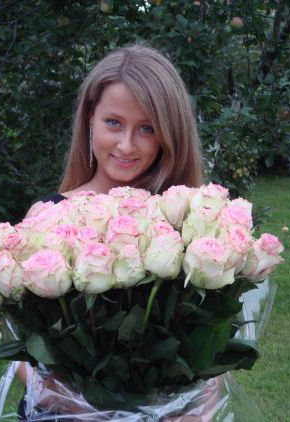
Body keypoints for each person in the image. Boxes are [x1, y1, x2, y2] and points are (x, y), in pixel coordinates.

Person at [15, 43, 220, 421]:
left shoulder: (186, 222)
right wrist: (91, 411)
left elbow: (211, 347)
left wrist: (196, 411)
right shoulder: (49, 218)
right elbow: (23, 355)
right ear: (89, 119)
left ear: (170, 135)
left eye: (146, 128)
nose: (126, 144)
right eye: (114, 123)